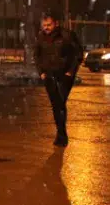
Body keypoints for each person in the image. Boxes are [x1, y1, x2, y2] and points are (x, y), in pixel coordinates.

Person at [35, 13, 83, 146]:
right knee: (56, 105)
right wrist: (42, 73)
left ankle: (62, 135)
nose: (46, 28)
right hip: (49, 76)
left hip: (64, 76)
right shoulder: (41, 37)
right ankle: (61, 133)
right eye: (44, 25)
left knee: (60, 103)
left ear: (56, 23)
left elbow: (78, 54)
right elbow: (37, 56)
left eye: (49, 24)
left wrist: (70, 72)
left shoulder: (67, 35)